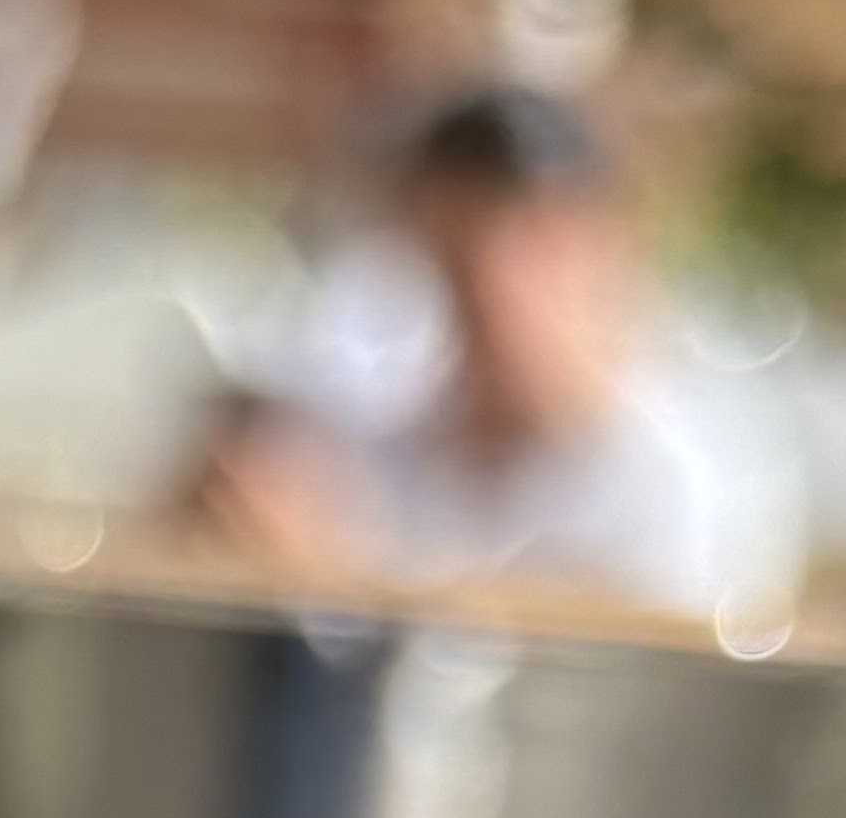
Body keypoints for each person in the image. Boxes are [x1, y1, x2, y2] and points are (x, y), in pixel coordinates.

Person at [204, 85, 803, 637]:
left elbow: (637, 670)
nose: (493, 272)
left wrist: (333, 578)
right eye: (457, 236)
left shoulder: (686, 477)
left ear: (605, 243)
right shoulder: (392, 443)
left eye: (525, 227)